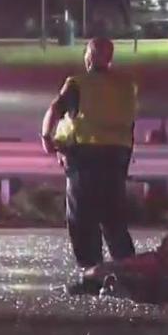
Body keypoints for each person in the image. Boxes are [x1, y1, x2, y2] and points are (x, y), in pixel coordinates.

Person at [41, 37, 138, 269]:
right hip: (116, 158)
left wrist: (46, 137)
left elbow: (55, 109)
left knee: (82, 219)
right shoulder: (126, 87)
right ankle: (128, 268)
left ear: (89, 57)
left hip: (84, 158)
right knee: (114, 218)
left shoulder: (78, 83)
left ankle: (91, 271)